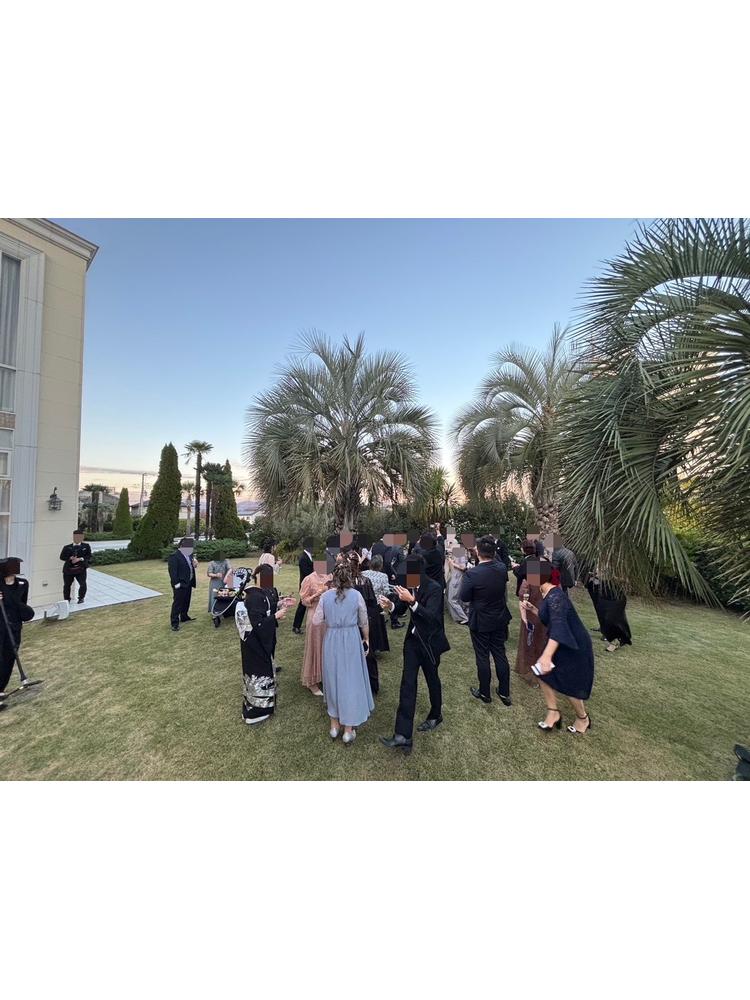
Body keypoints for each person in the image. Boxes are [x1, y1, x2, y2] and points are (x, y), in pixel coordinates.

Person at [378, 554, 450, 753]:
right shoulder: (410, 585)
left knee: (432, 679)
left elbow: (432, 618)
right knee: (407, 683)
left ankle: (436, 714)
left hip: (430, 643)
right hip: (412, 642)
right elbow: (400, 608)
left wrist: (413, 602)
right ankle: (403, 735)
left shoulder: (434, 588)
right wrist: (391, 605)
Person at [522, 561, 595, 734]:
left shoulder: (556, 596)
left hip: (574, 646)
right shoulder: (549, 593)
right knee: (541, 672)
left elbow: (559, 626)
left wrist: (547, 655)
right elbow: (551, 618)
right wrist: (534, 610)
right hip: (562, 642)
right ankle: (553, 712)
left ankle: (583, 719)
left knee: (570, 685)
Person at [312, 562, 374, 745]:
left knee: (333, 680)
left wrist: (331, 619)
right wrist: (366, 638)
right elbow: (364, 620)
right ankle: (348, 730)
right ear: (350, 578)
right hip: (351, 639)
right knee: (350, 680)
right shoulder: (356, 595)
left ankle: (334, 726)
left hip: (332, 640)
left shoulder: (325, 596)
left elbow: (316, 621)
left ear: (334, 578)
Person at [458, 535, 513, 706]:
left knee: (482, 656)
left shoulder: (472, 574)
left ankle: (485, 692)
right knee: (499, 653)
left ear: (478, 552)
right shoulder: (501, 568)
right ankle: (504, 692)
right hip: (498, 617)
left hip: (481, 619)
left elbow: (464, 597)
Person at [237, 582, 289, 725]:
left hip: (252, 642)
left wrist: (278, 604)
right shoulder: (254, 597)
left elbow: (263, 611)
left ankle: (254, 708)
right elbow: (258, 624)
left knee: (256, 673)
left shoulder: (253, 594)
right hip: (256, 644)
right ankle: (256, 712)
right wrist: (275, 616)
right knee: (259, 673)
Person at [349, 551, 388, 695]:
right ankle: (370, 684)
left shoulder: (361, 580)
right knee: (367, 651)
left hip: (355, 618)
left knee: (362, 651)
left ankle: (367, 684)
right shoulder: (361, 580)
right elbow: (371, 602)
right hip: (362, 617)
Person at [0, 558, 35, 705]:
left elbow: (22, 605)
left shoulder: (23, 583)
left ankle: (1, 689)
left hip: (14, 626)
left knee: (9, 657)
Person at [514, 560, 551, 687]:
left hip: (532, 617)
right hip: (546, 617)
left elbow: (522, 597)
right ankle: (541, 674)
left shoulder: (530, 578)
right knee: (543, 645)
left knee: (530, 645)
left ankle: (531, 673)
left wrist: (524, 616)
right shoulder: (553, 582)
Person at [299, 562, 331, 696]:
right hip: (315, 614)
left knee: (327, 646)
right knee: (315, 646)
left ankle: (324, 674)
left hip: (328, 616)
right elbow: (304, 600)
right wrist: (316, 594)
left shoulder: (330, 576)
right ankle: (312, 682)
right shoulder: (309, 579)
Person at [167, 537, 198, 631]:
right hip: (180, 584)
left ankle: (184, 616)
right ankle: (174, 623)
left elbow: (190, 567)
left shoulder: (189, 555)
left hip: (189, 582)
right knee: (178, 603)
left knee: (186, 601)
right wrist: (177, 585)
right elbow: (173, 573)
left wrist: (194, 565)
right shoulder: (174, 556)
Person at [596, 578, 632, 652]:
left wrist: (611, 577)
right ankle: (621, 637)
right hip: (607, 594)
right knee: (607, 616)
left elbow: (626, 581)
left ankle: (615, 642)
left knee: (612, 618)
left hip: (617, 596)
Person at [59, 529, 92, 604]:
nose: (77, 538)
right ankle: (67, 599)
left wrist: (80, 559)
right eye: (76, 536)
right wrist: (70, 558)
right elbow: (62, 557)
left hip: (81, 569)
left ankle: (81, 598)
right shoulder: (67, 547)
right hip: (68, 569)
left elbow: (89, 556)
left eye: (80, 536)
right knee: (67, 585)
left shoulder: (86, 546)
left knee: (83, 584)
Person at [292, 541, 315, 634]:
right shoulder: (303, 558)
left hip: (311, 584)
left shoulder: (309, 556)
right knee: (302, 605)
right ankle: (296, 626)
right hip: (306, 585)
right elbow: (307, 572)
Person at [446, 544, 470, 625]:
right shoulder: (457, 552)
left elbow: (463, 567)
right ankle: (459, 616)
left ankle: (464, 617)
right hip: (456, 577)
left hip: (457, 578)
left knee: (452, 599)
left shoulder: (459, 553)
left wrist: (452, 563)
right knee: (453, 597)